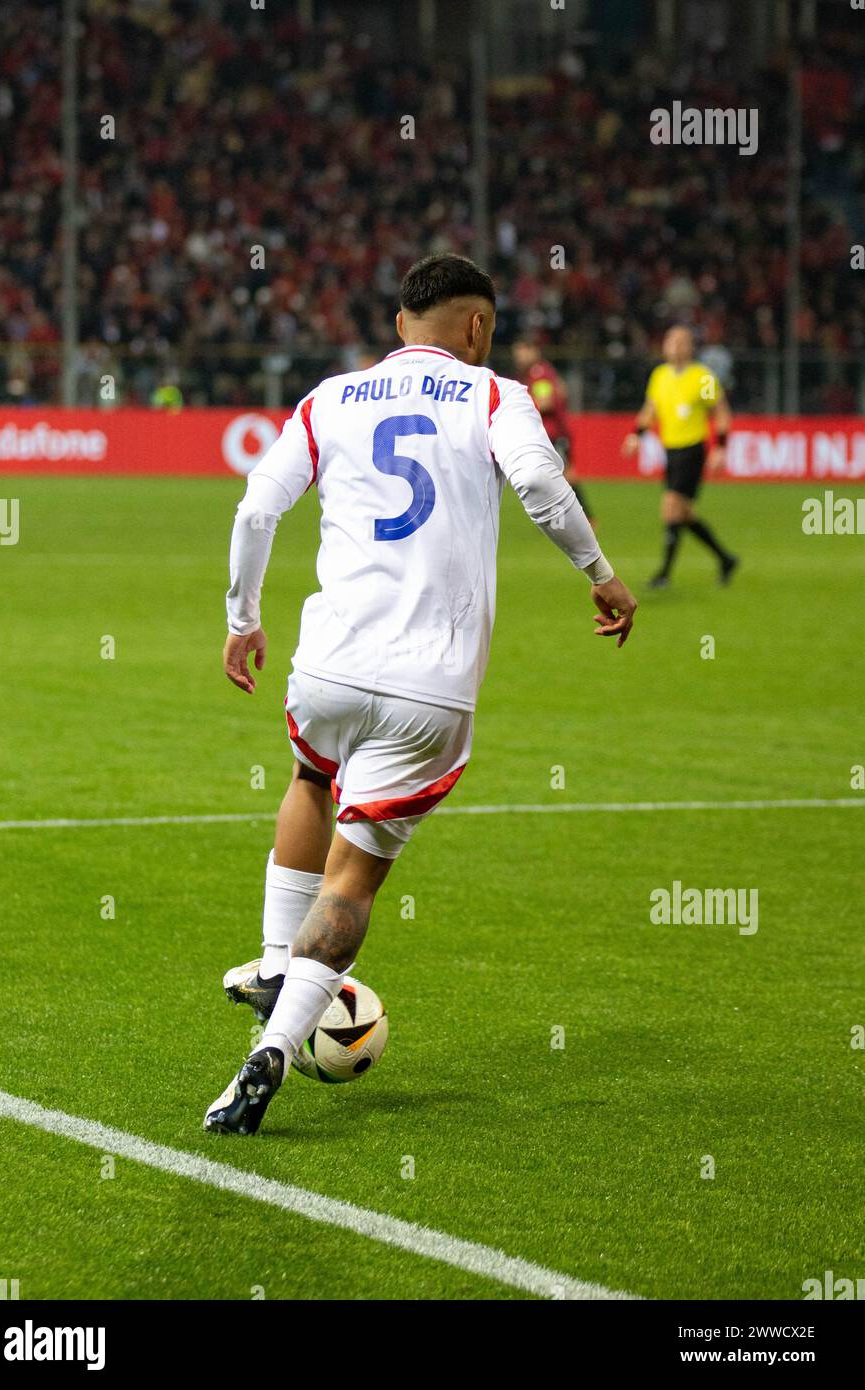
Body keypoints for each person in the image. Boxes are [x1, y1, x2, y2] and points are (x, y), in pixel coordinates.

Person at [204, 253, 637, 1136]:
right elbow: (540, 485)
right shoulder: (493, 396)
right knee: (355, 876)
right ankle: (275, 1049)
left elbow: (256, 507)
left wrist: (242, 616)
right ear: (476, 328)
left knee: (310, 781)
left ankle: (271, 960)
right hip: (430, 686)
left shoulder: (329, 397)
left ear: (401, 325)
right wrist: (598, 573)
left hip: (328, 660)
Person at [623, 327, 739, 589]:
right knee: (684, 514)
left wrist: (720, 448)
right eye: (670, 341)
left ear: (690, 347)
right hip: (671, 450)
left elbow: (720, 412)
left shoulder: (703, 378)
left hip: (692, 449)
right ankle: (726, 559)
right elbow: (649, 410)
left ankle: (664, 574)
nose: (673, 346)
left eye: (680, 342)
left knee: (671, 506)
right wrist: (636, 435)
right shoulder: (660, 375)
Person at [511, 338, 595, 524]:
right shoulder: (534, 373)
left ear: (534, 352)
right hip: (548, 433)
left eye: (522, 352)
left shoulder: (538, 372)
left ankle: (586, 517)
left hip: (554, 433)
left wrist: (520, 406)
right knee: (552, 476)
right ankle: (561, 518)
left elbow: (545, 401)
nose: (518, 357)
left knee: (565, 474)